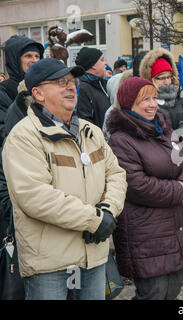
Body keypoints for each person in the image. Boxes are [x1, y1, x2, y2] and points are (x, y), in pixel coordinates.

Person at [2, 58, 127, 300]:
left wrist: (108, 212)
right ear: (38, 93)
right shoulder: (24, 137)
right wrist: (94, 221)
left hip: (93, 254)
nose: (71, 87)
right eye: (61, 82)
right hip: (50, 263)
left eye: (72, 82)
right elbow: (35, 196)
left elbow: (116, 174)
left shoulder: (90, 132)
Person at [106, 77, 183, 300]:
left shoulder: (164, 130)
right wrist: (178, 189)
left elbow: (181, 164)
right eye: (144, 100)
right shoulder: (121, 140)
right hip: (144, 230)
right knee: (153, 293)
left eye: (154, 98)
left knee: (173, 288)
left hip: (173, 225)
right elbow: (137, 185)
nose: (152, 104)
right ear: (128, 103)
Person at [0, 35, 43, 143]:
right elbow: (5, 130)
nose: (34, 60)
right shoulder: (4, 89)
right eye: (28, 56)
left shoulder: (43, 86)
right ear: (15, 60)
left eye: (37, 56)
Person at [139, 47, 183, 130]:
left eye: (169, 77)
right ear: (151, 79)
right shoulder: (145, 104)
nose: (167, 82)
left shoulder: (179, 101)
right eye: (162, 78)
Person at [75, 47, 110, 128]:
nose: (105, 63)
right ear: (93, 65)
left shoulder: (103, 84)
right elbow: (85, 122)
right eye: (102, 60)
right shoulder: (82, 89)